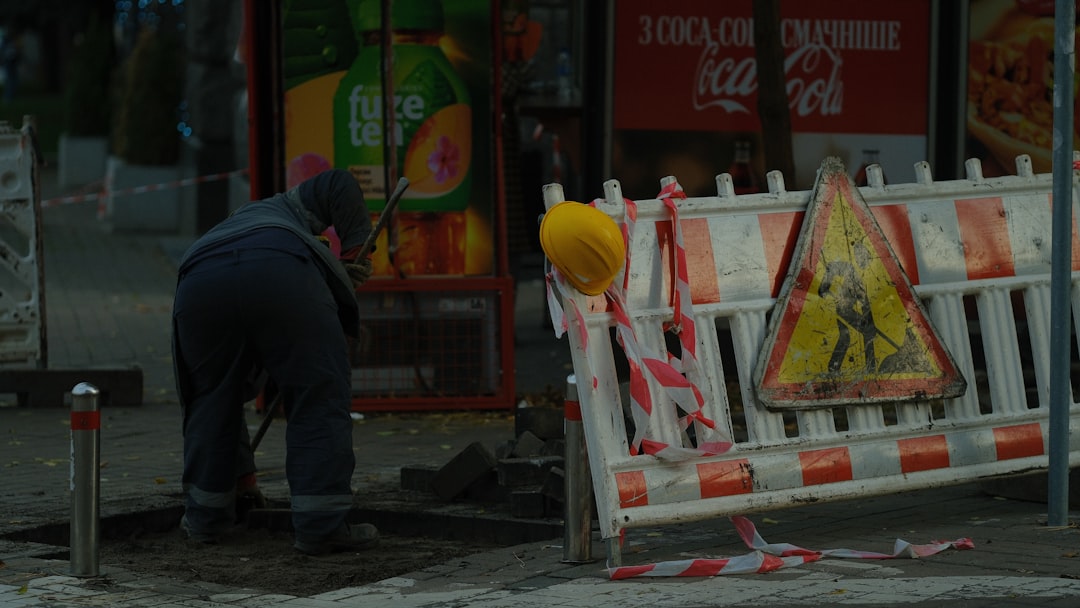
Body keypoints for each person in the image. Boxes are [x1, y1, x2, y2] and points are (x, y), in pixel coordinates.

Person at [172, 168, 378, 555]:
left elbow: (223, 400)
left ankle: (204, 519)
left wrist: (245, 484)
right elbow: (339, 183)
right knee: (317, 397)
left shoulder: (228, 228)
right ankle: (321, 526)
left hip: (199, 280)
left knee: (211, 399)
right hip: (281, 270)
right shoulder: (288, 208)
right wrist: (352, 253)